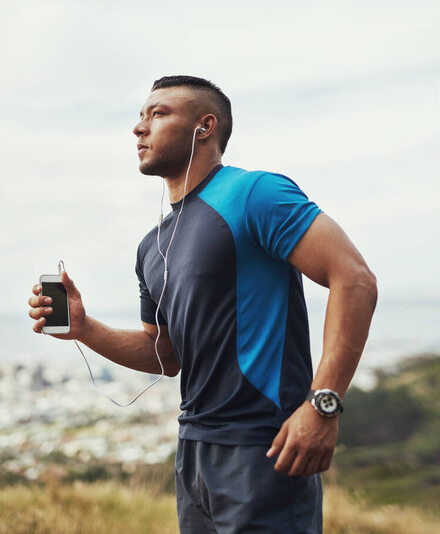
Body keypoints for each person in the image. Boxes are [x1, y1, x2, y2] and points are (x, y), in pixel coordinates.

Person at [28, 75, 378, 533]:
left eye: (159, 113)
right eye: (140, 116)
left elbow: (353, 279)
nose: (139, 128)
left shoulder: (255, 194)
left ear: (204, 126)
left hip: (263, 448)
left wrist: (322, 404)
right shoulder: (151, 246)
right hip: (193, 452)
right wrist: (84, 328)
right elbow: (165, 355)